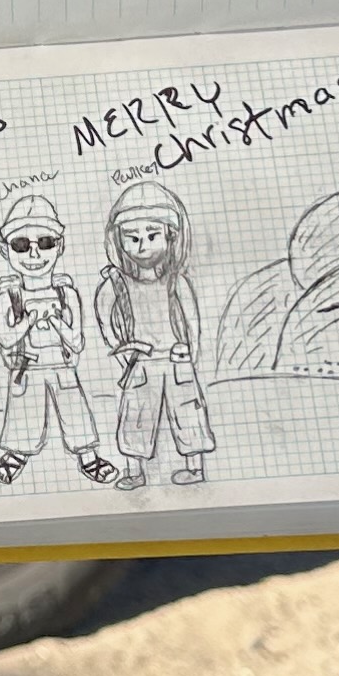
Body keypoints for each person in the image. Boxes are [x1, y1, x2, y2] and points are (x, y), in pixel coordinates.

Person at [0, 188, 115, 487]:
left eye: (45, 243)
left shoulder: (65, 292)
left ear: (60, 246)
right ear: (5, 250)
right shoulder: (7, 295)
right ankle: (16, 454)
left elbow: (77, 341)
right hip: (26, 368)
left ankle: (88, 457)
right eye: (21, 244)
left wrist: (56, 320)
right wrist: (30, 319)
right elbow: (5, 339)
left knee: (76, 413)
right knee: (23, 415)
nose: (34, 254)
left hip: (62, 367)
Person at [95, 176, 213, 489]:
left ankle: (195, 467)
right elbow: (103, 316)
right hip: (141, 362)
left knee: (187, 412)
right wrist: (123, 351)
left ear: (171, 236)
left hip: (176, 360)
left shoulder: (176, 280)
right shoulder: (116, 281)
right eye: (131, 237)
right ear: (118, 240)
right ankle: (134, 472)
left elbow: (193, 321)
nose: (142, 245)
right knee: (135, 415)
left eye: (152, 235)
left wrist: (191, 352)